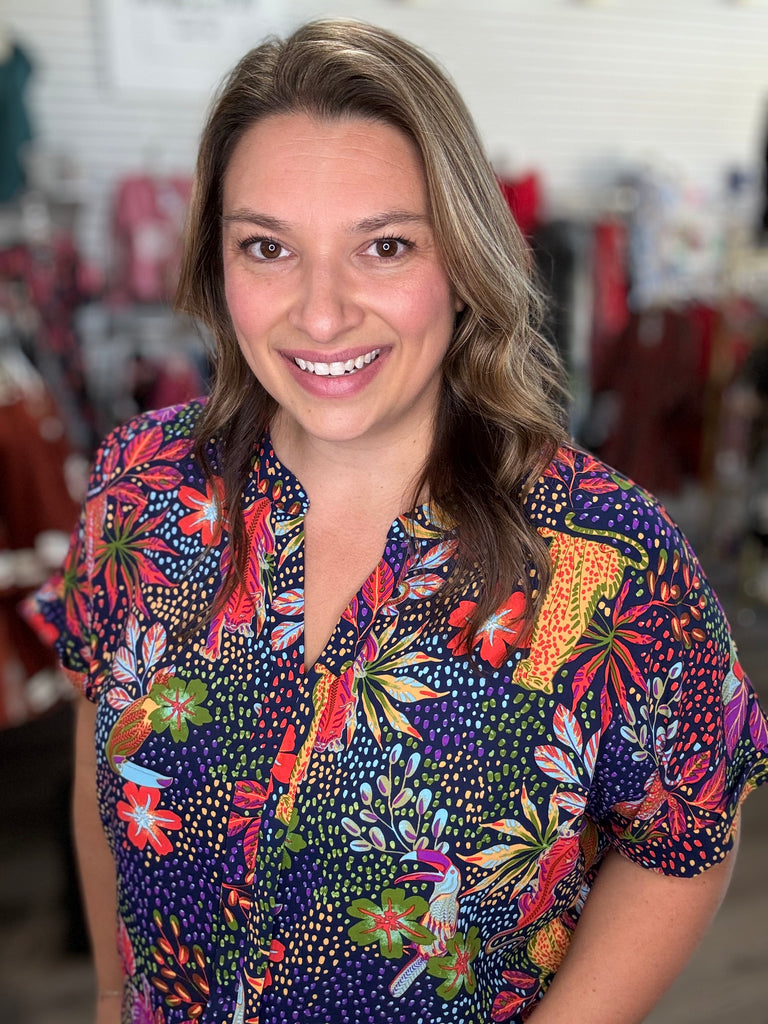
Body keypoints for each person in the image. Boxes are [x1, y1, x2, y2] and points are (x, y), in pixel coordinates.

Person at [27, 19, 768, 1024]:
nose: (321, 314)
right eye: (267, 247)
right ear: (217, 263)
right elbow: (96, 743)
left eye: (383, 245)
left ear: (461, 261)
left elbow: (684, 840)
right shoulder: (139, 489)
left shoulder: (610, 559)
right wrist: (115, 998)